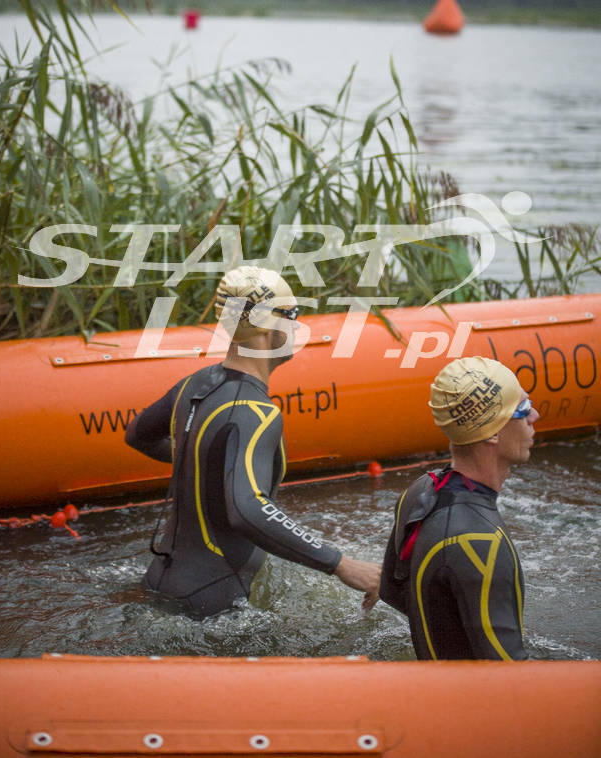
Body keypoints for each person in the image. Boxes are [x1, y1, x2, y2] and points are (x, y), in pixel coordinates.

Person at [125, 265, 381, 618]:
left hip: (159, 581)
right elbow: (248, 510)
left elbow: (137, 435)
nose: (298, 326)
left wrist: (209, 465)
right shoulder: (255, 412)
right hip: (214, 602)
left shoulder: (194, 384)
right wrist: (341, 564)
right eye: (292, 315)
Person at [377, 355, 538, 660]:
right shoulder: (481, 543)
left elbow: (391, 591)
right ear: (491, 432)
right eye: (524, 410)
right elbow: (513, 681)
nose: (535, 417)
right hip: (473, 706)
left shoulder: (420, 491)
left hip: (439, 693)